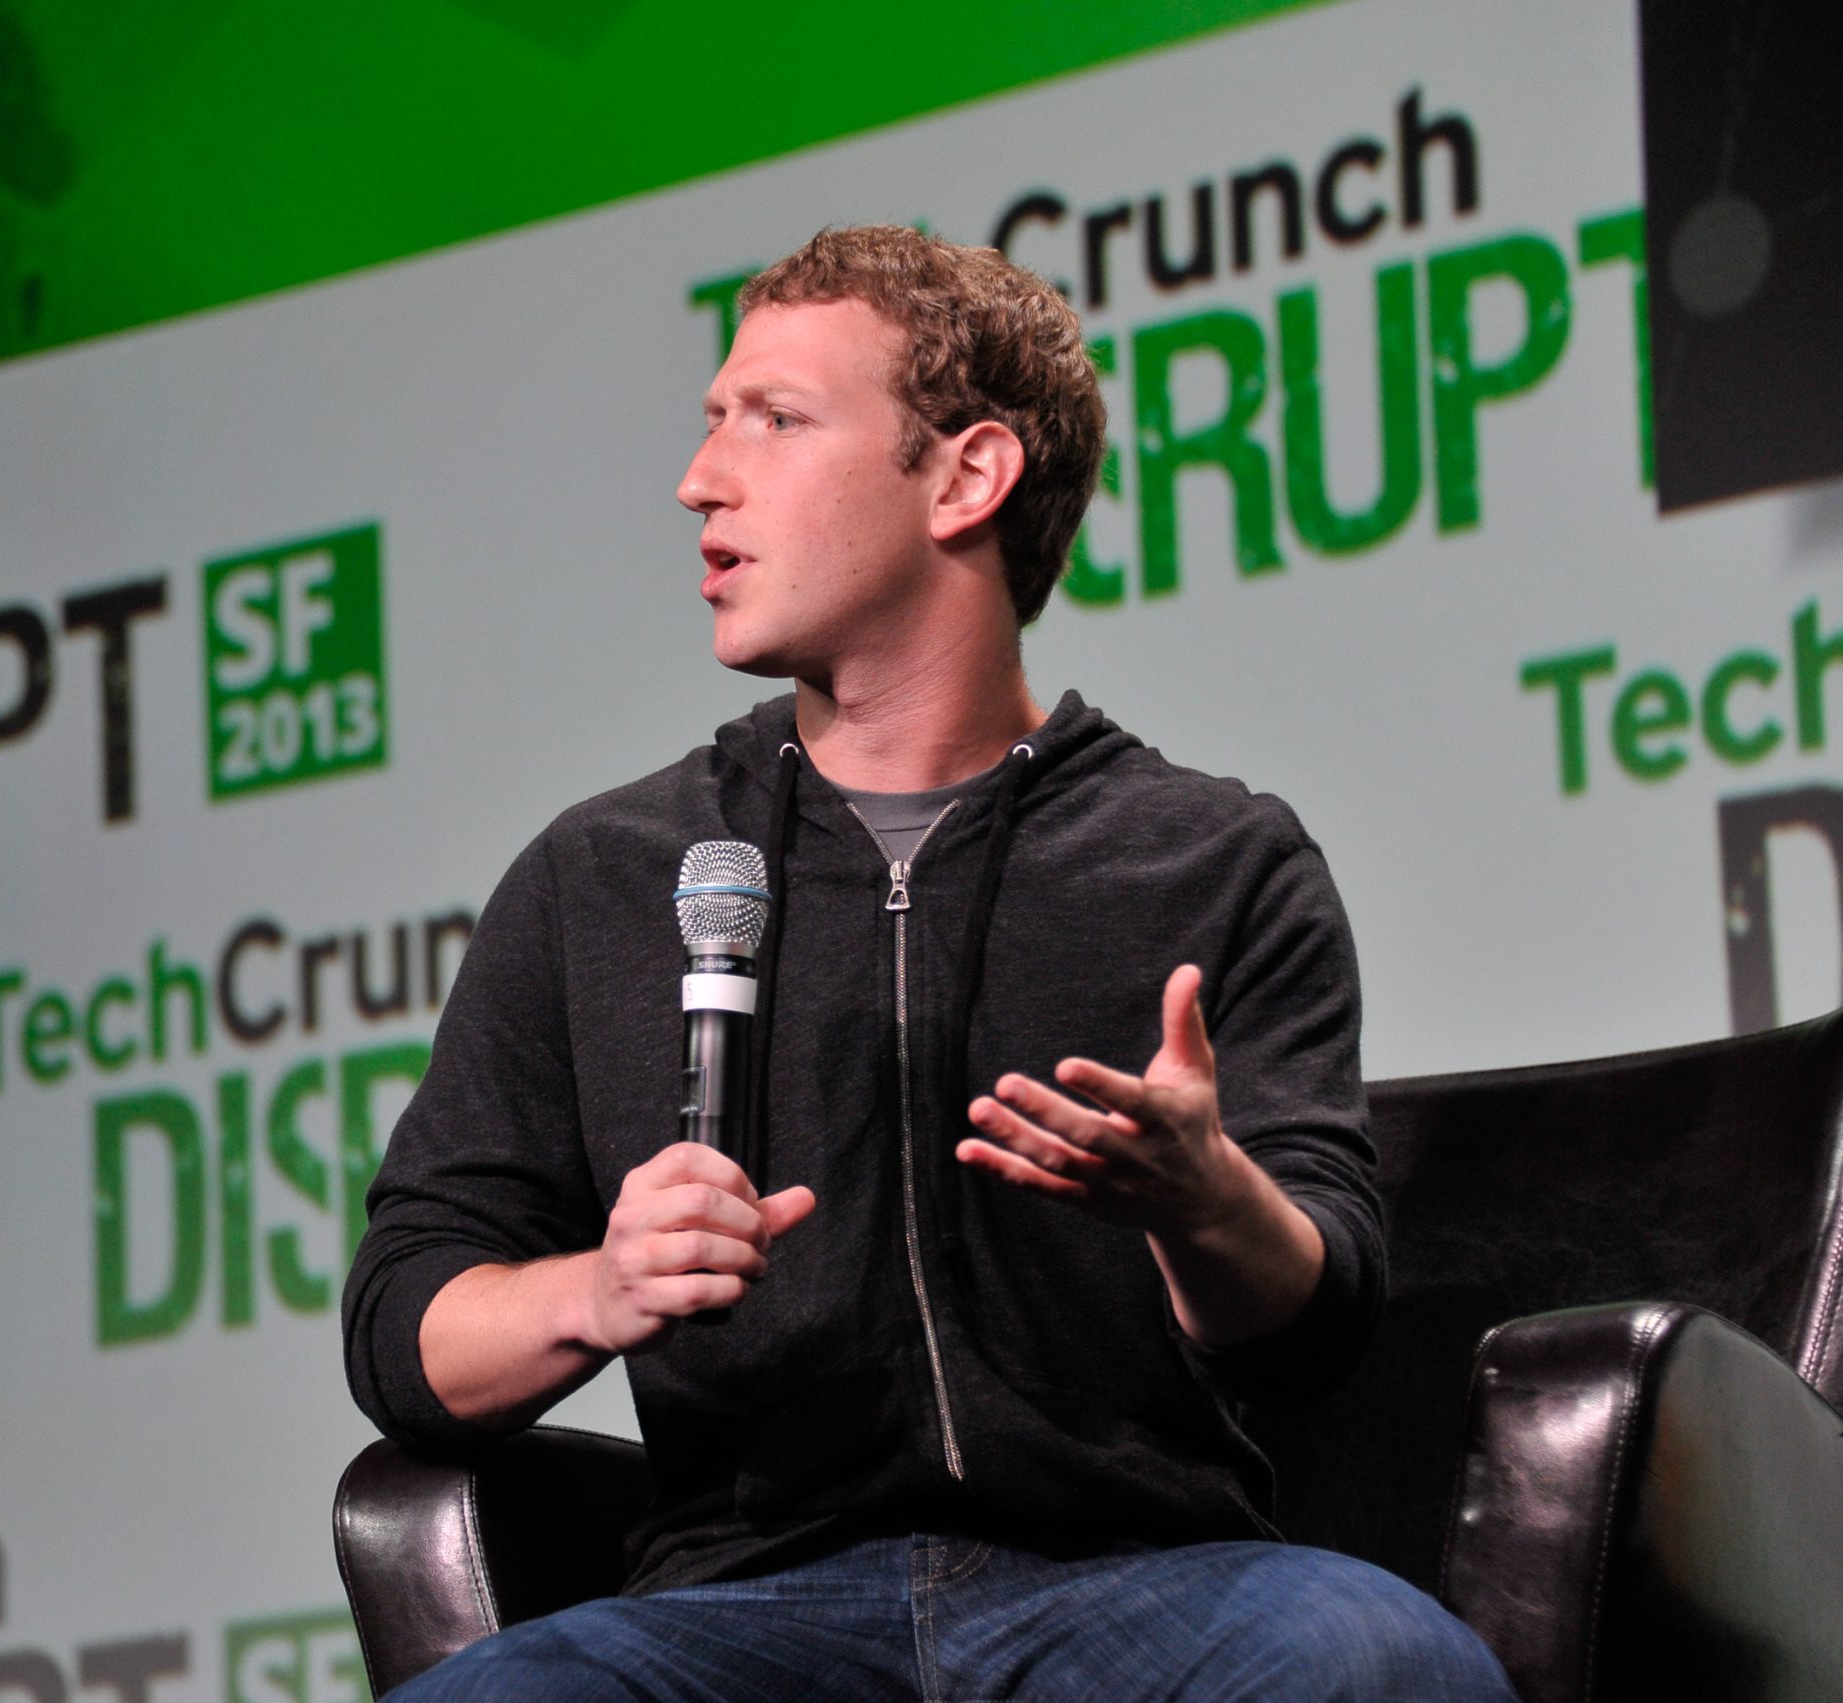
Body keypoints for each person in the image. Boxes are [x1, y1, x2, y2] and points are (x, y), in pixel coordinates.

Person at [341, 225, 1512, 1700]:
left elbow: (1320, 1318)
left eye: (772, 419)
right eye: (711, 424)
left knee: (1379, 1664)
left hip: (1148, 1589)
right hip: (741, 1607)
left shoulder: (1213, 859)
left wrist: (1209, 1206)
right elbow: (405, 1323)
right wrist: (596, 1287)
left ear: (966, 476)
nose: (703, 478)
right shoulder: (610, 875)